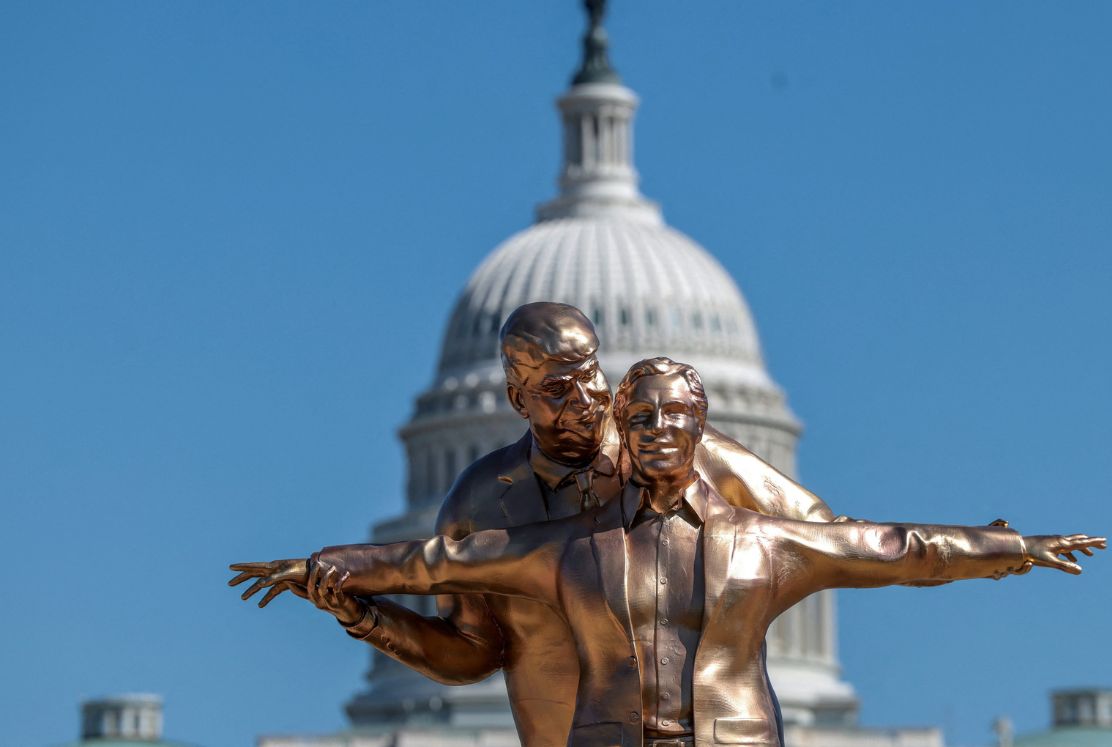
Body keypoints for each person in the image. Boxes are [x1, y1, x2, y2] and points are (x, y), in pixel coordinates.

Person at [232, 357, 1104, 747]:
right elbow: (436, 560)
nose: (654, 434)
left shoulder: (764, 543)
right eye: (639, 420)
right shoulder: (568, 546)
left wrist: (1012, 546)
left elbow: (900, 548)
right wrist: (331, 568)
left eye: (673, 420)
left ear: (704, 430)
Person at [235, 303, 838, 747]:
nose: (584, 400)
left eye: (591, 374)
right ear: (517, 398)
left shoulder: (680, 455)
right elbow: (472, 653)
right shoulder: (479, 503)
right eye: (556, 387)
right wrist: (362, 615)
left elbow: (818, 535)